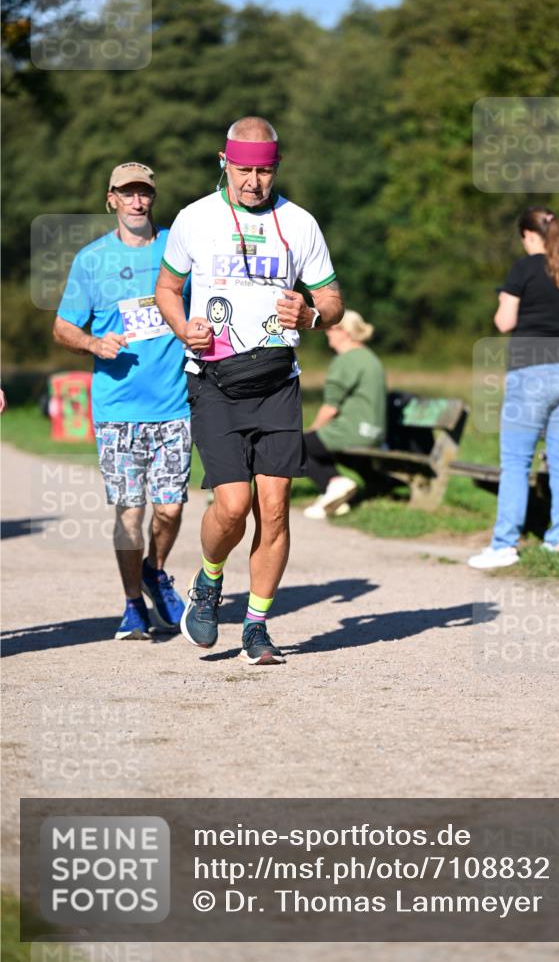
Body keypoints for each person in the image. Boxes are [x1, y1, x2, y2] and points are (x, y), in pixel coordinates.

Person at [155, 116, 344, 665]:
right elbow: (167, 288)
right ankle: (209, 581)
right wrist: (179, 326)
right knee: (232, 506)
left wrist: (310, 314)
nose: (253, 182)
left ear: (275, 168)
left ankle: (257, 625)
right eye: (243, 170)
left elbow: (333, 302)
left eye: (263, 171)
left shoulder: (300, 223)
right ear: (224, 162)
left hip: (278, 380)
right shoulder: (196, 218)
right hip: (213, 379)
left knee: (276, 508)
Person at [53, 162, 191, 639]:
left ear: (153, 198)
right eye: (127, 194)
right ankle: (134, 604)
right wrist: (93, 344)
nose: (137, 202)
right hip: (117, 409)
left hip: (175, 404)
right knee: (130, 511)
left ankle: (156, 569)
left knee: (170, 510)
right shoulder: (92, 260)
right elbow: (63, 326)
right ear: (110, 199)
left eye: (144, 193)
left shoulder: (179, 247)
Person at [468, 207, 559, 570]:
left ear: (528, 235)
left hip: (534, 370)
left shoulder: (523, 269)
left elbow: (505, 322)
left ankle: (504, 545)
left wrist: (503, 304)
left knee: (515, 461)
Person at [303, 310, 386, 519]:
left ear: (346, 332)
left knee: (296, 446)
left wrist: (312, 431)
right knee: (312, 445)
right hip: (375, 433)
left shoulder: (347, 360)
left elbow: (331, 408)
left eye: (331, 328)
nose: (327, 333)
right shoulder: (370, 357)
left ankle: (335, 484)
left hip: (352, 431)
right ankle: (338, 500)